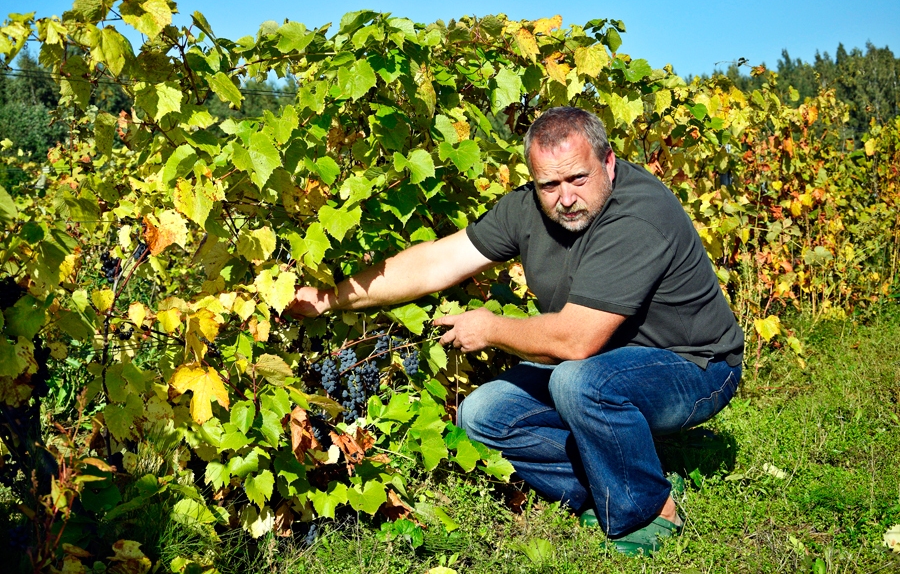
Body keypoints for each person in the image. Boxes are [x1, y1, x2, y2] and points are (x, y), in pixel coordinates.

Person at [287, 106, 744, 555]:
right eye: (549, 184)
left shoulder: (638, 216)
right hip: (604, 363)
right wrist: (328, 299)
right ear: (533, 179)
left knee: (577, 380)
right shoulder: (527, 210)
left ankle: (647, 509)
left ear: (608, 162)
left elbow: (574, 342)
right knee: (482, 415)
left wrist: (490, 327)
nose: (565, 197)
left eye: (577, 179)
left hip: (691, 366)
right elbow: (436, 262)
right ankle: (624, 475)